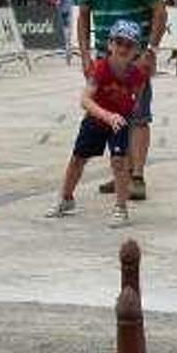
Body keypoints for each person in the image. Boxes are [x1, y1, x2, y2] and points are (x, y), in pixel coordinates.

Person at [47, 20, 148, 228]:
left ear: (136, 50)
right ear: (110, 44)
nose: (123, 48)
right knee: (78, 159)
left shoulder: (138, 76)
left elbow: (136, 100)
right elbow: (85, 100)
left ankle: (121, 208)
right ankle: (66, 198)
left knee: (119, 162)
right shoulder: (101, 68)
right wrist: (106, 115)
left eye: (129, 45)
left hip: (119, 122)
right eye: (119, 42)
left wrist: (124, 116)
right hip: (96, 119)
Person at [76, 0, 165, 201]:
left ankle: (137, 177)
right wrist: (85, 55)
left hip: (135, 59)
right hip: (104, 58)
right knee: (109, 117)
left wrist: (150, 51)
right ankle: (121, 173)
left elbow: (160, 12)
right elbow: (83, 16)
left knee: (138, 116)